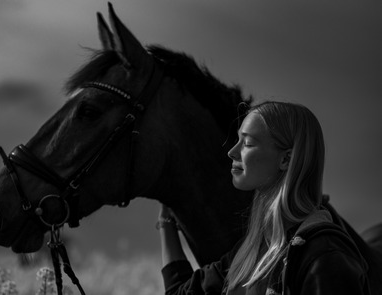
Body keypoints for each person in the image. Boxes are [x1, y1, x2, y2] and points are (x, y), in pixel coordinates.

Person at [157, 101, 370, 295]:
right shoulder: (253, 251)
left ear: (286, 159)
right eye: (237, 140)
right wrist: (166, 223)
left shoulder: (325, 256)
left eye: (248, 143)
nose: (232, 151)